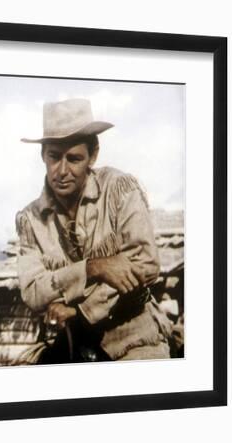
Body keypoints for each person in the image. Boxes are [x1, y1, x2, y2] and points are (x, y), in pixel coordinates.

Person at [16, 99, 172, 362]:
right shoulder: (30, 219)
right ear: (43, 155)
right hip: (70, 345)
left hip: (134, 340)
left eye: (74, 158)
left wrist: (79, 310)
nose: (62, 171)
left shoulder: (120, 190)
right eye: (54, 157)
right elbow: (32, 290)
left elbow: (144, 265)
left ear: (93, 154)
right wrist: (91, 267)